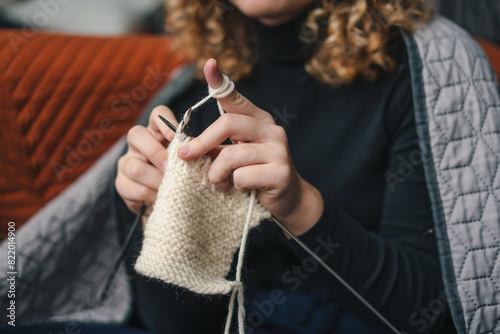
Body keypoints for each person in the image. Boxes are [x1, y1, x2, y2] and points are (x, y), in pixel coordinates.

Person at [115, 0, 456, 333]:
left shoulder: (433, 75)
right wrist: (158, 219)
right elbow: (175, 325)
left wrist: (299, 208)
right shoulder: (191, 84)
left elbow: (441, 314)